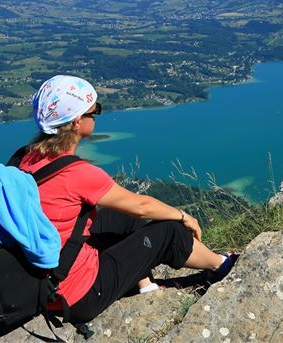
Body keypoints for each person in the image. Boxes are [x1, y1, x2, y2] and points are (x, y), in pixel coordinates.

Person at [18, 75, 237, 324]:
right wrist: (185, 216)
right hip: (79, 295)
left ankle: (146, 286)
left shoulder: (28, 158)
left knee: (120, 218)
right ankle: (224, 266)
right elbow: (142, 207)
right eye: (94, 111)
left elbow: (131, 210)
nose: (96, 115)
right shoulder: (77, 173)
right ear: (77, 122)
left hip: (44, 276)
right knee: (169, 231)